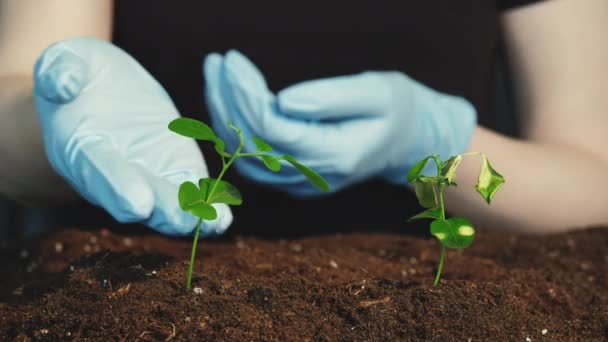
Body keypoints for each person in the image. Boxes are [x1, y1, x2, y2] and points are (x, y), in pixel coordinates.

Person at [0, 0, 607, 238]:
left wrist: (437, 148)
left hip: (443, 301)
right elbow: (13, 112)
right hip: (114, 286)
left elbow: (594, 178)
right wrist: (57, 118)